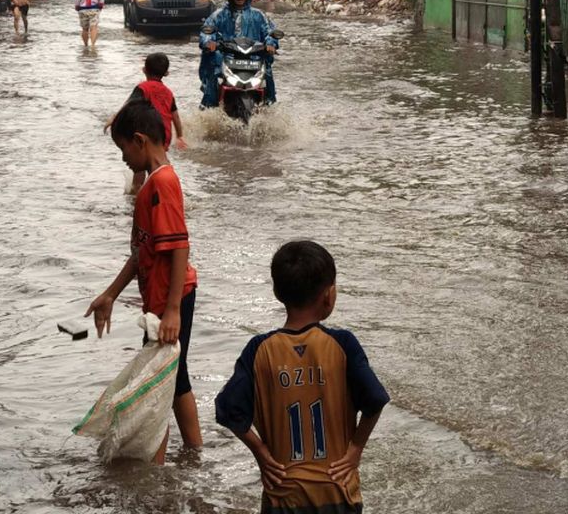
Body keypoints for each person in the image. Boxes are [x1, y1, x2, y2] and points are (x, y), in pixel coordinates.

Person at [215, 240, 390, 514]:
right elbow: (375, 401)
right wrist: (355, 450)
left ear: (276, 292)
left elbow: (228, 410)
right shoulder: (343, 344)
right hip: (337, 489)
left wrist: (261, 454)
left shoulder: (259, 350)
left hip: (283, 494)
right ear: (329, 295)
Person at [84, 100, 202, 465]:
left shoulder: (162, 184)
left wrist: (170, 312)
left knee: (158, 384)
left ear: (139, 140)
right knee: (173, 376)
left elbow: (179, 244)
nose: (123, 159)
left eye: (122, 150)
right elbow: (142, 253)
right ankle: (194, 454)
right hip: (165, 297)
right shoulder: (153, 184)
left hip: (171, 298)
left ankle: (156, 466)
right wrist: (109, 295)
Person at [105, 52, 188, 192]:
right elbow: (176, 116)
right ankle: (164, 187)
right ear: (166, 73)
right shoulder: (168, 92)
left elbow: (129, 105)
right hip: (163, 135)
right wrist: (180, 136)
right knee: (159, 162)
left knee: (140, 165)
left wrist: (113, 118)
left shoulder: (143, 88)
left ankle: (135, 191)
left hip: (145, 133)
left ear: (144, 70)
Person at [199, 0, 280, 109]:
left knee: (267, 73)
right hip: (226, 59)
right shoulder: (219, 15)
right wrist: (209, 42)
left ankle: (269, 105)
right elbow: (207, 30)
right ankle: (208, 107)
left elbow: (269, 31)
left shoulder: (259, 15)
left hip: (253, 59)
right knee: (213, 71)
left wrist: (271, 43)